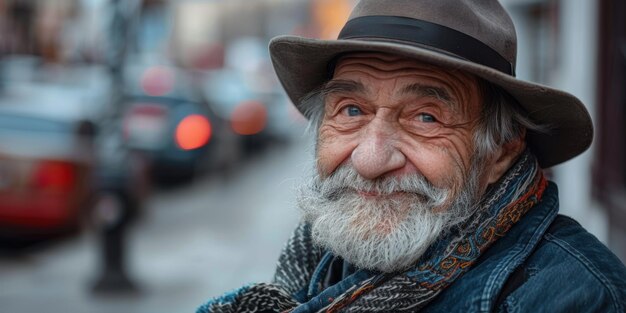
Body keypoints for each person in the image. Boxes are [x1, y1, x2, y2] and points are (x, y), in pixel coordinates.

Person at [198, 0, 626, 312]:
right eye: (351, 111)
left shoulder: (576, 297)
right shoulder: (319, 260)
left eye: (425, 117)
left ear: (501, 150)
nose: (370, 160)